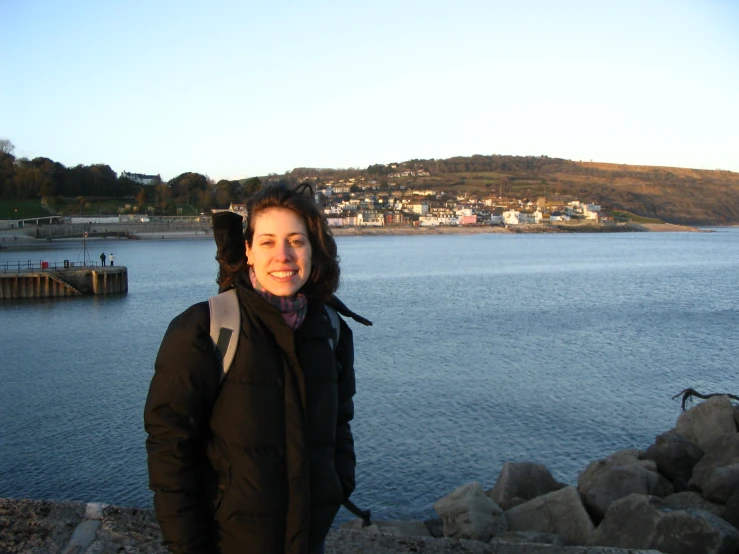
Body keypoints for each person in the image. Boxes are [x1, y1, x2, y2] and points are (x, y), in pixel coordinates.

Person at [144, 183, 371, 554]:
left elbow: (340, 421)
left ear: (314, 251)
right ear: (248, 251)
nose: (283, 255)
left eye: (296, 241)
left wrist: (338, 484)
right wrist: (187, 545)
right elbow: (169, 445)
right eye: (267, 242)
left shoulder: (331, 328)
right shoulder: (206, 328)